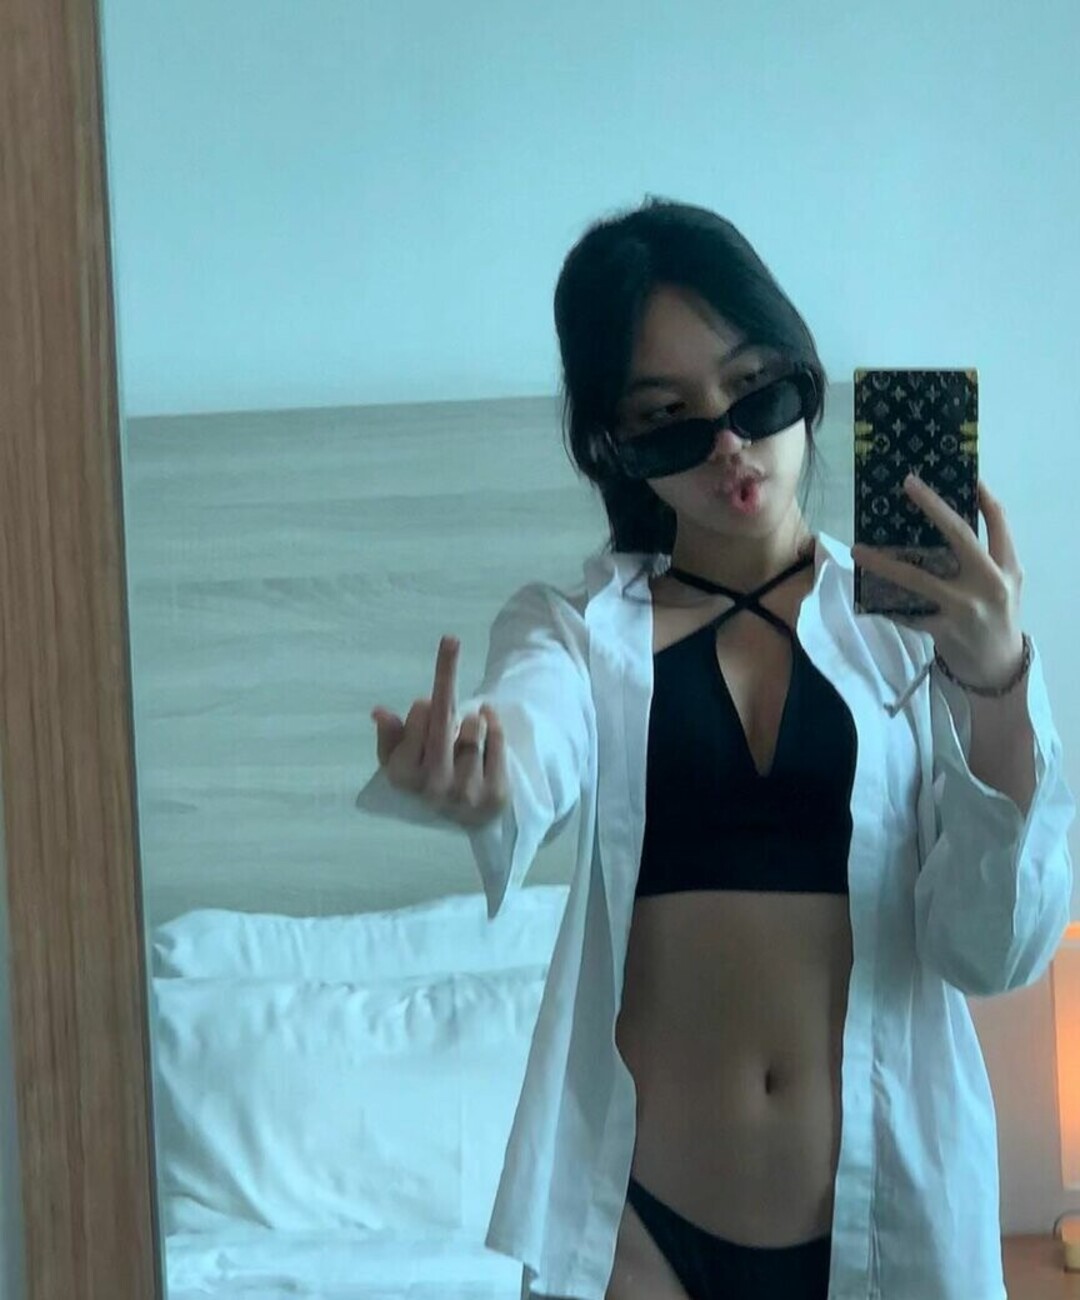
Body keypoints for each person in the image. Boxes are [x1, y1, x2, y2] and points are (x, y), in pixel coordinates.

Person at [357, 198, 1075, 1300]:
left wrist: (996, 680)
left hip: (888, 1229)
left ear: (803, 377)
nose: (729, 443)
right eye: (669, 420)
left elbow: (996, 951)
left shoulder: (918, 634)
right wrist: (484, 775)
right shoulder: (575, 631)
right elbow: (532, 730)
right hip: (643, 1236)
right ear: (614, 447)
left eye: (755, 391)